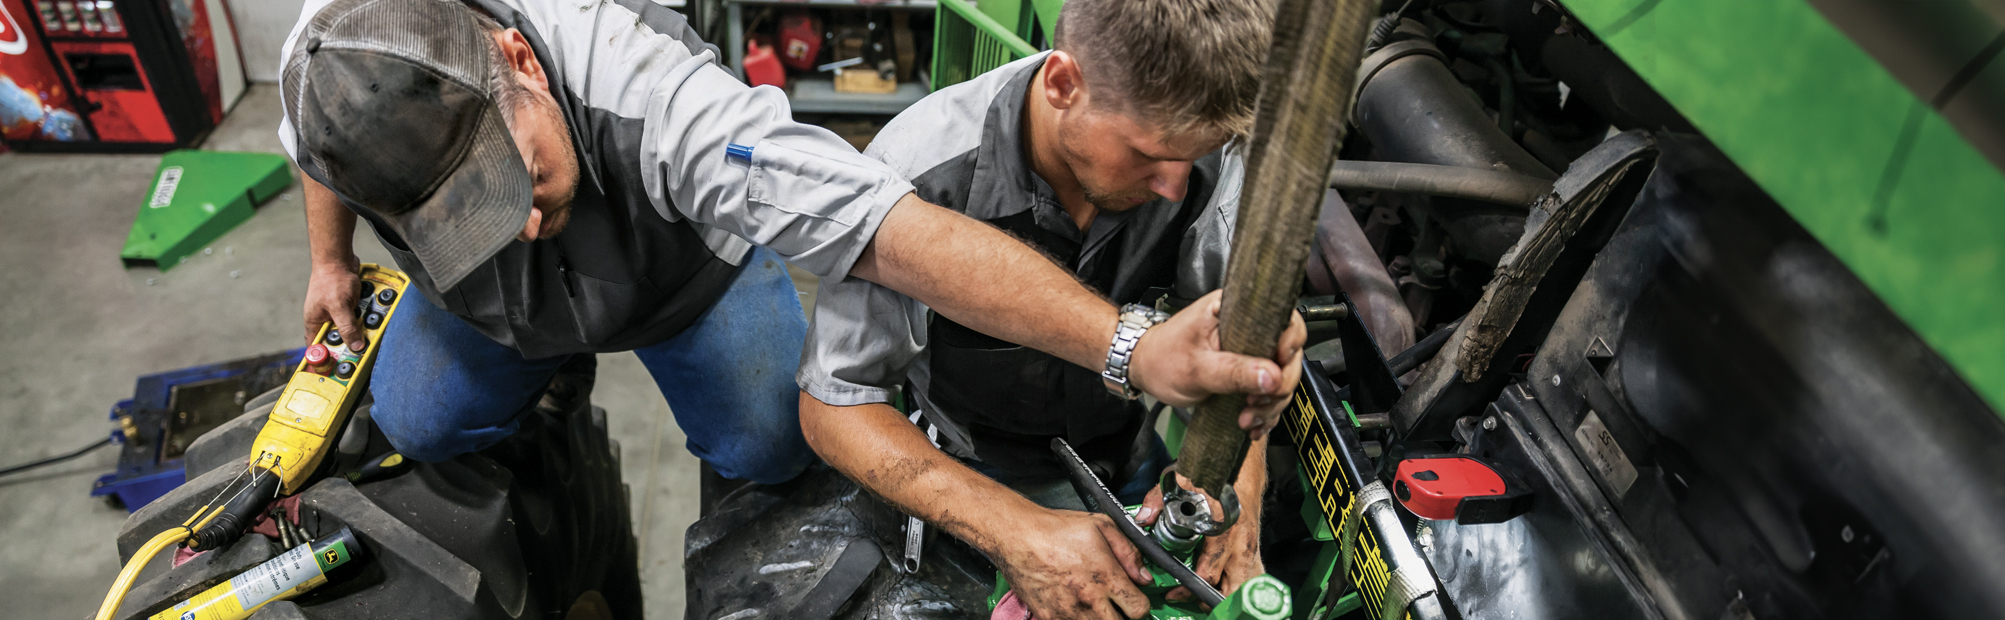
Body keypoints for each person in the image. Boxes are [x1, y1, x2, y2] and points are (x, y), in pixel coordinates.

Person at [279, 0, 1301, 494]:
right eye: (463, 211)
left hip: (680, 281)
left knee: (768, 446)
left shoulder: (654, 97)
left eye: (521, 183)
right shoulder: (334, 68)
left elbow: (888, 233)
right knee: (418, 418)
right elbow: (324, 162)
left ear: (520, 63)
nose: (525, 223)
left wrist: (1128, 348)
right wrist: (331, 263)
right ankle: (545, 380)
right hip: (488, 307)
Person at [795, 1, 1297, 618]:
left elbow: (1239, 354)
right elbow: (835, 404)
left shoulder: (1206, 162)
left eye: (1194, 156)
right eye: (1148, 154)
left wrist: (1239, 489)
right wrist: (1015, 532)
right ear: (1063, 84)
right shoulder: (920, 174)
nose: (1174, 185)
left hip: (1130, 462)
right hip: (969, 473)